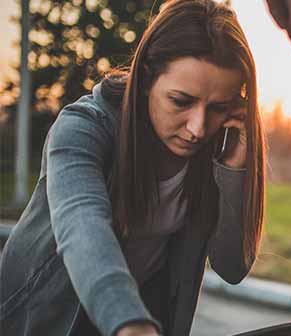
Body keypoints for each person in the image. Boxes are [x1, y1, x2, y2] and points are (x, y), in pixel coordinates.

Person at [0, 0, 266, 335]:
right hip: (43, 321)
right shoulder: (83, 127)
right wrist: (130, 323)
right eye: (181, 101)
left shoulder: (215, 149)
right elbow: (83, 227)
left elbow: (231, 267)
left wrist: (233, 169)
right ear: (144, 81)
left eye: (218, 107)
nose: (198, 128)